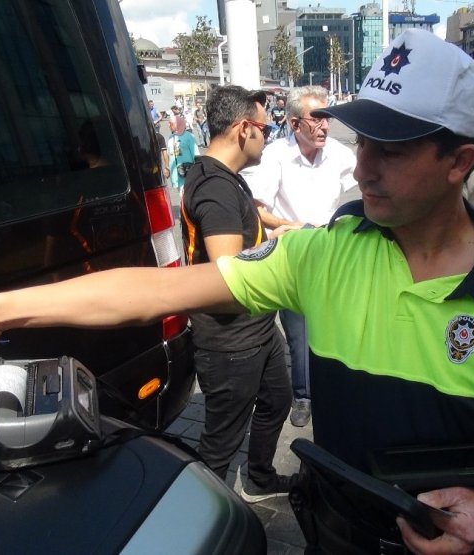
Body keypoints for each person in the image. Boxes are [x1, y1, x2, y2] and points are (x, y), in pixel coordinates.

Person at [0, 30, 474, 555]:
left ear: (459, 162)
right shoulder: (322, 253)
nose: (361, 165)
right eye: (361, 140)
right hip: (333, 538)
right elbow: (155, 290)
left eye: (390, 148)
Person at [179, 85, 292, 502]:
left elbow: (253, 213)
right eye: (266, 127)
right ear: (244, 129)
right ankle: (203, 517)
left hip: (258, 330)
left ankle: (259, 478)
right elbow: (228, 270)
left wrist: (286, 227)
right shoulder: (216, 188)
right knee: (220, 444)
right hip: (229, 341)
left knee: (277, 401)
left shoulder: (227, 180)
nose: (270, 134)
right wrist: (280, 248)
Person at [242, 85, 357, 428]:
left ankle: (337, 386)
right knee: (300, 333)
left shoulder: (340, 155)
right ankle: (303, 395)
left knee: (339, 325)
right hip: (293, 256)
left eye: (328, 118)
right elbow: (258, 210)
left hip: (334, 254)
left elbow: (360, 190)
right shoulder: (274, 156)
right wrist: (297, 227)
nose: (324, 126)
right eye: (316, 119)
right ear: (294, 124)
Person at [166, 116, 199, 192]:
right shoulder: (171, 138)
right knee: (182, 197)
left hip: (187, 173)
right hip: (176, 174)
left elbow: (196, 154)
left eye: (171, 124)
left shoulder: (189, 136)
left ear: (178, 124)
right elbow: (170, 155)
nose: (169, 125)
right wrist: (167, 168)